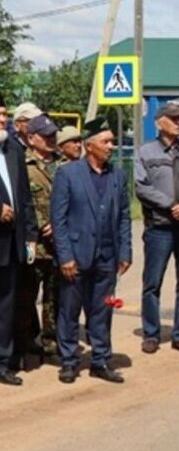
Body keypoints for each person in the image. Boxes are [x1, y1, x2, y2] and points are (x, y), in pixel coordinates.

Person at [50, 119, 130, 384]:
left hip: (107, 257)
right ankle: (69, 361)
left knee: (101, 311)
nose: (111, 146)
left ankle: (100, 360)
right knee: (69, 311)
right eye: (106, 141)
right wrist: (65, 256)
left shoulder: (117, 176)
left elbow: (124, 217)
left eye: (112, 140)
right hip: (76, 255)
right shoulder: (68, 174)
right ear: (89, 146)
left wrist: (125, 251)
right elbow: (58, 219)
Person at [132, 102, 179, 356]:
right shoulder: (146, 152)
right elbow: (141, 187)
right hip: (160, 227)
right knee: (152, 283)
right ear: (159, 122)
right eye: (173, 118)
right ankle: (151, 334)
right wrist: (173, 205)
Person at [0, 108, 36, 387]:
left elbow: (24, 196)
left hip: (10, 243)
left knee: (7, 303)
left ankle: (4, 360)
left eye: (5, 115)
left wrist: (31, 234)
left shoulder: (14, 149)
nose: (3, 120)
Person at [19, 116, 60, 362]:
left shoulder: (63, 165)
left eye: (53, 135)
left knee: (55, 299)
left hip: (59, 244)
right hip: (34, 244)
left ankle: (51, 343)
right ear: (32, 138)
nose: (51, 139)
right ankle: (25, 343)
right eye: (45, 135)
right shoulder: (23, 165)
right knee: (26, 297)